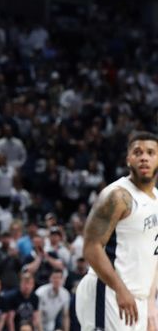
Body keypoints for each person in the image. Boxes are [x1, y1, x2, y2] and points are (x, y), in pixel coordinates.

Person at [75, 132, 158, 331]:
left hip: (137, 298)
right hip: (108, 292)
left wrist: (150, 303)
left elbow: (154, 254)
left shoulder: (157, 199)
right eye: (137, 152)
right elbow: (91, 248)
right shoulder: (117, 196)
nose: (144, 157)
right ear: (128, 159)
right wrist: (120, 289)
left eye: (150, 152)